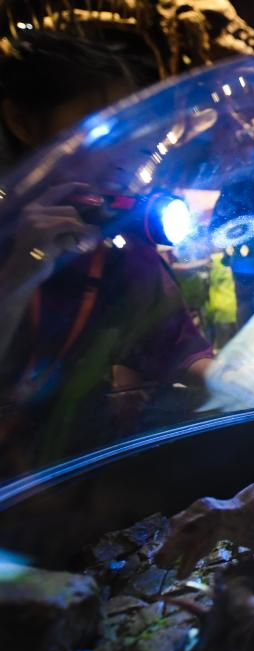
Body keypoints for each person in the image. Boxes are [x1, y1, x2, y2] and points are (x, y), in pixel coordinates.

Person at [0, 32, 213, 475]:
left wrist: (251, 381)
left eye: (128, 133)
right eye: (96, 130)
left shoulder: (112, 240)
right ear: (21, 122)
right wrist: (21, 270)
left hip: (75, 471)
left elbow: (179, 347)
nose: (119, 155)